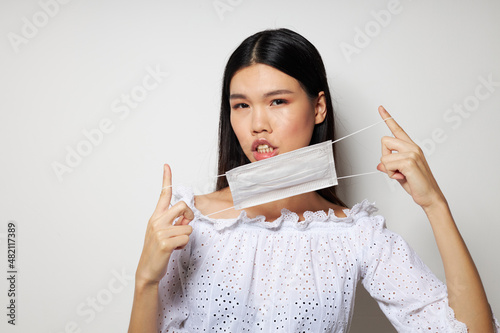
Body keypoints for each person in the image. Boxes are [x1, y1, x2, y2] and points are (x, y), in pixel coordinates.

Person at [128, 28, 499, 332]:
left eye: (277, 101)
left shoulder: (355, 234)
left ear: (318, 107)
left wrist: (435, 204)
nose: (258, 123)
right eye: (241, 105)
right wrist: (145, 279)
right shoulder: (188, 220)